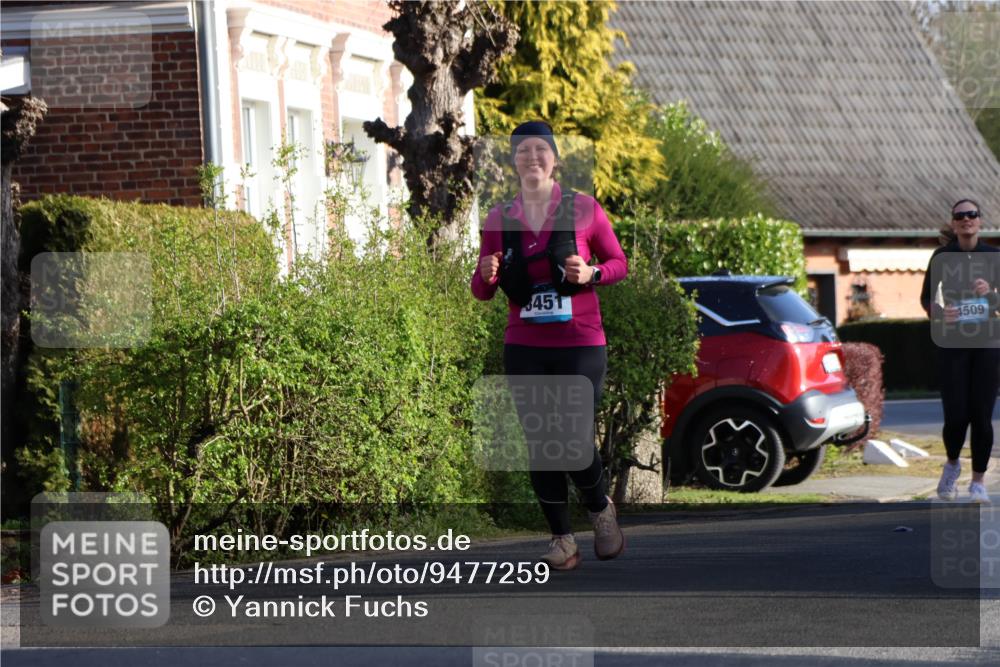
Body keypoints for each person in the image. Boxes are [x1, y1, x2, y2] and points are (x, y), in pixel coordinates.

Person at [471, 120, 628, 570]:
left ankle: (599, 509)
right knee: (540, 439)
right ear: (513, 161)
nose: (532, 157)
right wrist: (486, 274)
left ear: (555, 158)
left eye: (541, 150)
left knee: (573, 435)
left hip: (580, 339)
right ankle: (562, 539)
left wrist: (593, 273)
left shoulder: (583, 209)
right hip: (525, 342)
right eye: (523, 152)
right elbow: (482, 290)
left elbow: (619, 263)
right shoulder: (500, 218)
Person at [920, 198, 1000, 504]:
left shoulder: (994, 256)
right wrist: (940, 314)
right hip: (952, 344)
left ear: (980, 221)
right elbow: (927, 300)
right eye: (960, 216)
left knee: (981, 415)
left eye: (972, 215)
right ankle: (952, 464)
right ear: (953, 223)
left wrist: (991, 294)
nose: (966, 219)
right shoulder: (942, 256)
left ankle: (978, 482)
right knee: (955, 416)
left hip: (987, 344)